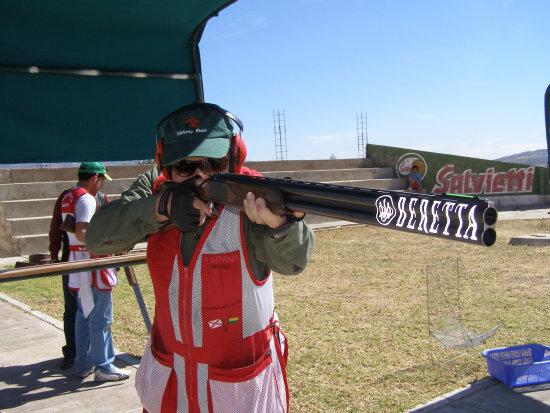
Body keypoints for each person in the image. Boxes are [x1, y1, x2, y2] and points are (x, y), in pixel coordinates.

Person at [86, 103, 315, 412]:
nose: (202, 175)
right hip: (171, 379)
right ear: (165, 164)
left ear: (234, 156)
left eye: (215, 163)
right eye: (185, 167)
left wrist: (281, 227)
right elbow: (98, 237)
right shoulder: (154, 188)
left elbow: (294, 261)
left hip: (239, 386)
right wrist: (162, 208)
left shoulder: (249, 193)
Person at [61, 161, 131, 382]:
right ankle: (104, 366)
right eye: (101, 180)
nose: (101, 185)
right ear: (95, 178)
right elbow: (83, 232)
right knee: (100, 317)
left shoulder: (68, 196)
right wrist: (108, 240)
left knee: (84, 315)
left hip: (78, 263)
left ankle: (84, 363)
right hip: (93, 262)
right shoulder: (86, 199)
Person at [49, 184, 109, 370]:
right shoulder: (78, 198)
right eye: (101, 179)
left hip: (83, 257)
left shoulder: (97, 198)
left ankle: (83, 359)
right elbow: (63, 228)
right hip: (82, 257)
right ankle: (83, 357)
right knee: (86, 312)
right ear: (95, 178)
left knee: (82, 311)